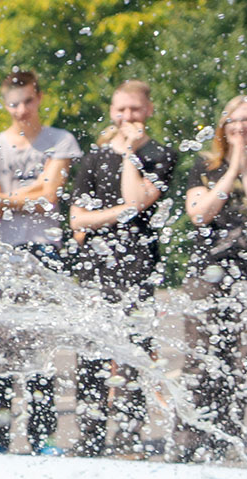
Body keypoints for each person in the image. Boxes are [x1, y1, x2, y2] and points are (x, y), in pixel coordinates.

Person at [177, 94, 247, 462]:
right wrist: (230, 170)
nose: (241, 127)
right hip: (207, 272)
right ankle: (189, 440)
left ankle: (227, 436)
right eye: (233, 121)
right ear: (223, 128)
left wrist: (245, 171)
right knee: (201, 356)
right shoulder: (204, 166)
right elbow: (200, 214)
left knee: (241, 359)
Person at [0, 70, 81, 455]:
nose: (21, 111)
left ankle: (42, 436)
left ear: (40, 98)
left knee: (41, 349)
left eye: (28, 102)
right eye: (13, 104)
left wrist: (9, 196)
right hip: (2, 255)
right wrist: (31, 191)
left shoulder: (60, 141)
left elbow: (50, 198)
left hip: (44, 252)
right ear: (5, 104)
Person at [68, 79, 176, 458]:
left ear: (148, 111)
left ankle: (130, 435)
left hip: (137, 265)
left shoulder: (161, 154)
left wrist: (130, 152)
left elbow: (137, 198)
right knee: (90, 351)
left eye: (134, 110)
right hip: (96, 265)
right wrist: (116, 215)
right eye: (120, 110)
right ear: (112, 111)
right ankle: (91, 435)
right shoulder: (94, 158)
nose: (127, 117)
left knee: (134, 351)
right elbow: (77, 220)